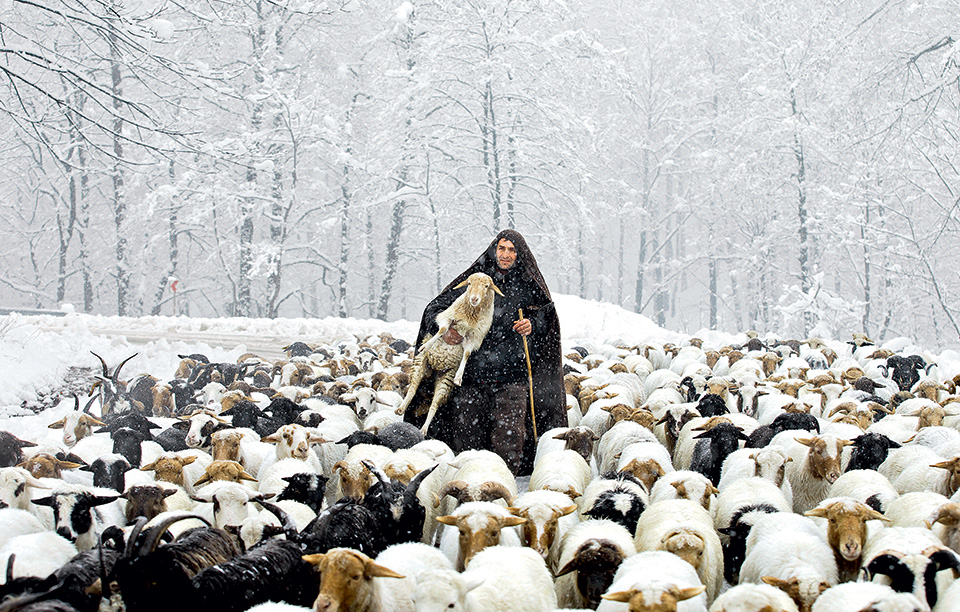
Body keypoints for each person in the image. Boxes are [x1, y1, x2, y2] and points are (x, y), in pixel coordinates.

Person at [403, 229, 566, 475]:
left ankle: (504, 484)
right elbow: (434, 308)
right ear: (494, 250)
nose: (506, 254)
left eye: (512, 250)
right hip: (471, 375)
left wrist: (532, 323)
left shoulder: (527, 284)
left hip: (512, 376)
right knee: (467, 437)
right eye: (502, 248)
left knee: (508, 439)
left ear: (520, 254)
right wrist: (446, 330)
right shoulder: (476, 279)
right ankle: (468, 484)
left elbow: (547, 316)